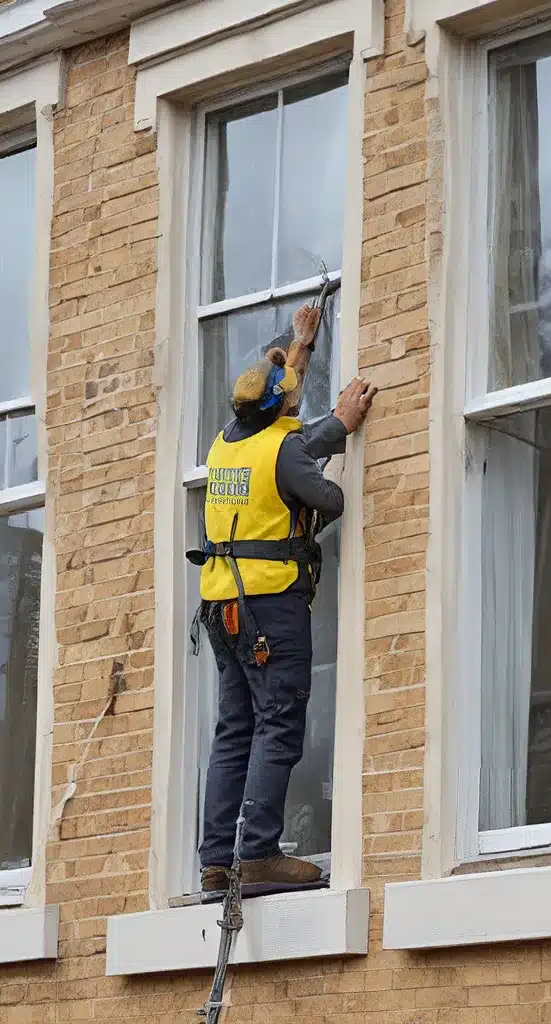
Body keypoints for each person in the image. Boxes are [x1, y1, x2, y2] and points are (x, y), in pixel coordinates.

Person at [190, 302, 377, 897]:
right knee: (278, 726)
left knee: (234, 730)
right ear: (282, 409)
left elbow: (286, 432)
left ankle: (219, 859)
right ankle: (260, 855)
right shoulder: (283, 449)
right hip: (270, 608)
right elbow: (326, 496)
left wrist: (301, 348)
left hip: (223, 608)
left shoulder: (227, 443)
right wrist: (344, 425)